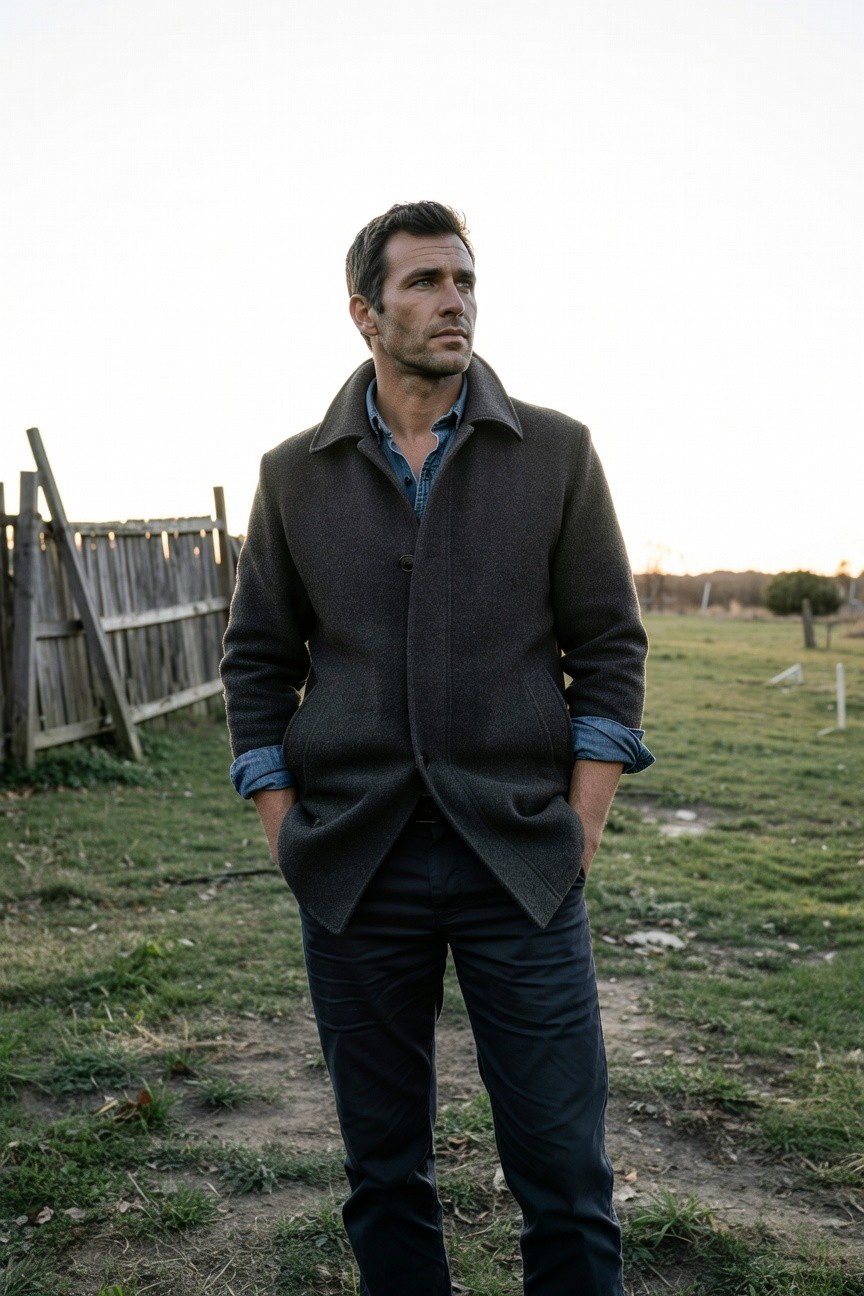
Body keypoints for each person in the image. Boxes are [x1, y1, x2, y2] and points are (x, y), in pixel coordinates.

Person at [220, 201, 653, 1296]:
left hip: (520, 856)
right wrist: (286, 831)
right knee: (384, 1169)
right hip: (354, 861)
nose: (453, 299)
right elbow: (258, 666)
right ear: (365, 313)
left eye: (463, 279)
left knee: (563, 1167)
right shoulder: (293, 475)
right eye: (423, 283)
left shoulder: (556, 453)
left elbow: (609, 646)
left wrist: (581, 826)